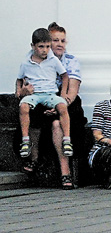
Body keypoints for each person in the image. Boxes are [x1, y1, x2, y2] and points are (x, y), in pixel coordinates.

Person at [21, 23, 84, 188]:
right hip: (41, 100)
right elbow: (25, 85)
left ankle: (65, 171)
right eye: (55, 40)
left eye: (63, 41)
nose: (60, 44)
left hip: (66, 102)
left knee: (57, 123)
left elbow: (72, 90)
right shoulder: (31, 59)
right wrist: (25, 91)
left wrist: (60, 103)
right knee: (32, 115)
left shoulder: (70, 61)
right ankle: (33, 158)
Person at [17, 28, 73, 171]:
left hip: (50, 94)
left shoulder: (53, 60)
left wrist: (63, 94)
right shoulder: (26, 63)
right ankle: (25, 141)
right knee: (24, 108)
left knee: (62, 107)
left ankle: (67, 139)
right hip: (33, 95)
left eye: (48, 47)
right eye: (41, 47)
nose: (45, 50)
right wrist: (19, 91)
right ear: (33, 46)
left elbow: (65, 76)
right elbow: (19, 80)